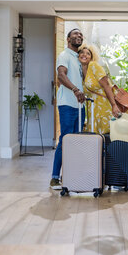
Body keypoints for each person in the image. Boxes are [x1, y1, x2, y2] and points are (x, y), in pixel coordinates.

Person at [50, 28, 86, 189]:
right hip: (67, 105)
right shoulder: (64, 55)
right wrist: (75, 90)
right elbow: (61, 75)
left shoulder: (79, 58)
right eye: (75, 34)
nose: (79, 36)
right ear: (68, 39)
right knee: (65, 140)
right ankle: (55, 177)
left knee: (76, 142)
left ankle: (70, 175)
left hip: (80, 106)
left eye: (80, 35)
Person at [78, 45, 121, 134]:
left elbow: (106, 85)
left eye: (88, 54)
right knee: (95, 135)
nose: (84, 55)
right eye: (82, 52)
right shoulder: (79, 71)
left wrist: (114, 105)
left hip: (105, 105)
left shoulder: (94, 66)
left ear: (91, 57)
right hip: (92, 108)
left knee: (107, 134)